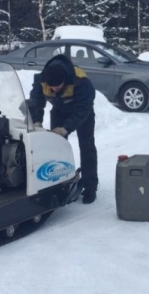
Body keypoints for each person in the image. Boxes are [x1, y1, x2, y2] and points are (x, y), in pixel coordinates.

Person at [29, 54, 98, 204]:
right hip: (59, 111)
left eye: (57, 86)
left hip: (82, 113)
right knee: (55, 148)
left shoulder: (81, 81)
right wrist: (36, 121)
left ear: (65, 80)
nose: (53, 89)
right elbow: (36, 101)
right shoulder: (41, 79)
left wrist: (65, 128)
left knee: (87, 147)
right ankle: (56, 183)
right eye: (51, 87)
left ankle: (90, 187)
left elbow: (83, 109)